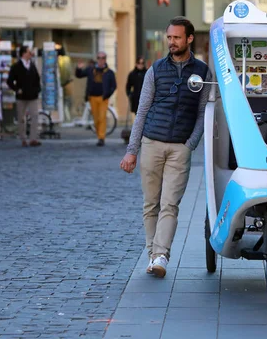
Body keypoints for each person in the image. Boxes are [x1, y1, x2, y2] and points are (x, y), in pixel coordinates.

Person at [119, 17, 210, 278]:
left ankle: (161, 256)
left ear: (189, 39)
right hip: (151, 143)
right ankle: (152, 254)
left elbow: (203, 112)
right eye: (169, 38)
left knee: (170, 204)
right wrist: (132, 149)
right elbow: (143, 110)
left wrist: (190, 144)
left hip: (180, 147)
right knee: (151, 204)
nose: (171, 42)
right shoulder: (155, 70)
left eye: (177, 38)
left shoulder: (203, 72)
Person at [75, 51, 117, 146]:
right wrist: (78, 68)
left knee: (102, 118)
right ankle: (99, 136)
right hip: (92, 97)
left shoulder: (109, 72)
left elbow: (114, 86)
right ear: (97, 59)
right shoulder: (91, 69)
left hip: (103, 98)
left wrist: (107, 95)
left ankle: (101, 138)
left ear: (105, 59)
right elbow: (79, 75)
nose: (101, 60)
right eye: (99, 58)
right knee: (96, 119)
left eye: (103, 58)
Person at [7, 45, 42, 147]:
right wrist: (17, 90)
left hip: (33, 96)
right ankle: (23, 138)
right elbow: (9, 81)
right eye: (28, 52)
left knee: (35, 116)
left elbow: (37, 78)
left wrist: (37, 89)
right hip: (21, 97)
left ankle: (33, 139)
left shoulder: (32, 65)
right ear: (23, 54)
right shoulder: (16, 66)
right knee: (21, 118)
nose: (30, 54)